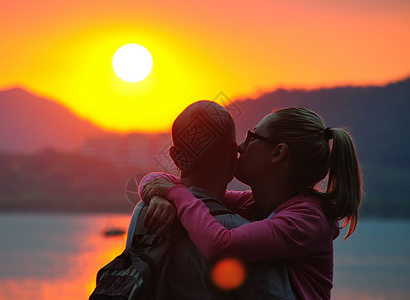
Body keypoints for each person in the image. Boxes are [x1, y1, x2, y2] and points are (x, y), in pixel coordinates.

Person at [140, 107, 362, 299]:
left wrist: (175, 195)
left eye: (251, 137)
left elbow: (220, 246)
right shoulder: (256, 204)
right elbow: (186, 190)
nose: (239, 148)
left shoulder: (308, 219)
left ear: (278, 153)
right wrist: (162, 195)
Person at [130, 101, 296, 299]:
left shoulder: (143, 211)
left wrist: (160, 193)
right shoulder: (242, 237)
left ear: (175, 157)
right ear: (234, 158)